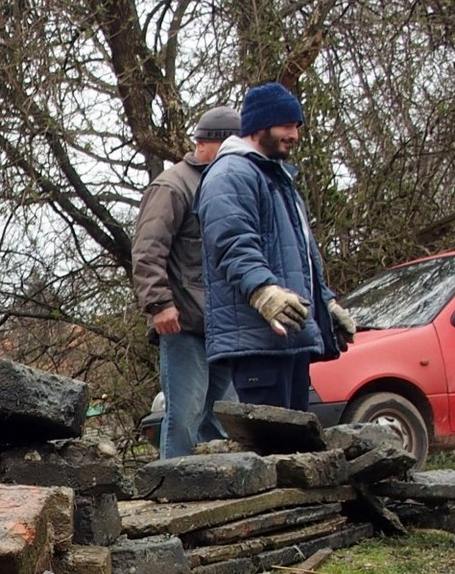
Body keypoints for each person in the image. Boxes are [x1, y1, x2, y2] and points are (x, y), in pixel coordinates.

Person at [195, 81, 354, 411]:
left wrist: (325, 304)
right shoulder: (230, 174)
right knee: (270, 440)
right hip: (259, 342)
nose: (294, 135)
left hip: (289, 338)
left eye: (296, 126)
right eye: (286, 126)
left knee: (294, 441)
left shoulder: (277, 178)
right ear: (258, 126)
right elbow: (232, 244)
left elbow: (301, 257)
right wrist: (263, 292)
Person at [131, 105, 241, 457]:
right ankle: (172, 485)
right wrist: (159, 304)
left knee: (225, 419)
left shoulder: (230, 185)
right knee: (184, 418)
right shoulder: (172, 185)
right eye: (229, 145)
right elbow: (147, 249)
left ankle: (220, 487)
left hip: (225, 326)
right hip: (183, 323)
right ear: (205, 144)